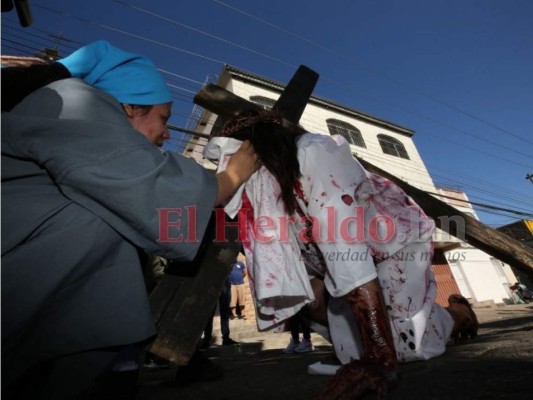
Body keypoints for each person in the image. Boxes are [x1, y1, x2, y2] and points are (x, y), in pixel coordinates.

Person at [1, 40, 259, 399]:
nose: (167, 134)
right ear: (128, 107)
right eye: (164, 118)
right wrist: (234, 174)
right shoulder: (74, 102)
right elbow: (158, 195)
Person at [204, 109, 478, 400]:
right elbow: (293, 251)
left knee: (403, 349)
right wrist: (310, 289)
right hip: (340, 263)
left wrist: (379, 359)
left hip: (396, 241)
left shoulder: (315, 152)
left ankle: (459, 315)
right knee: (345, 346)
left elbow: (345, 251)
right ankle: (373, 339)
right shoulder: (261, 193)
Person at [201, 276, 239, 348]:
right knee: (210, 313)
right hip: (212, 281)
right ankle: (207, 340)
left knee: (224, 313)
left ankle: (225, 338)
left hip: (224, 281)